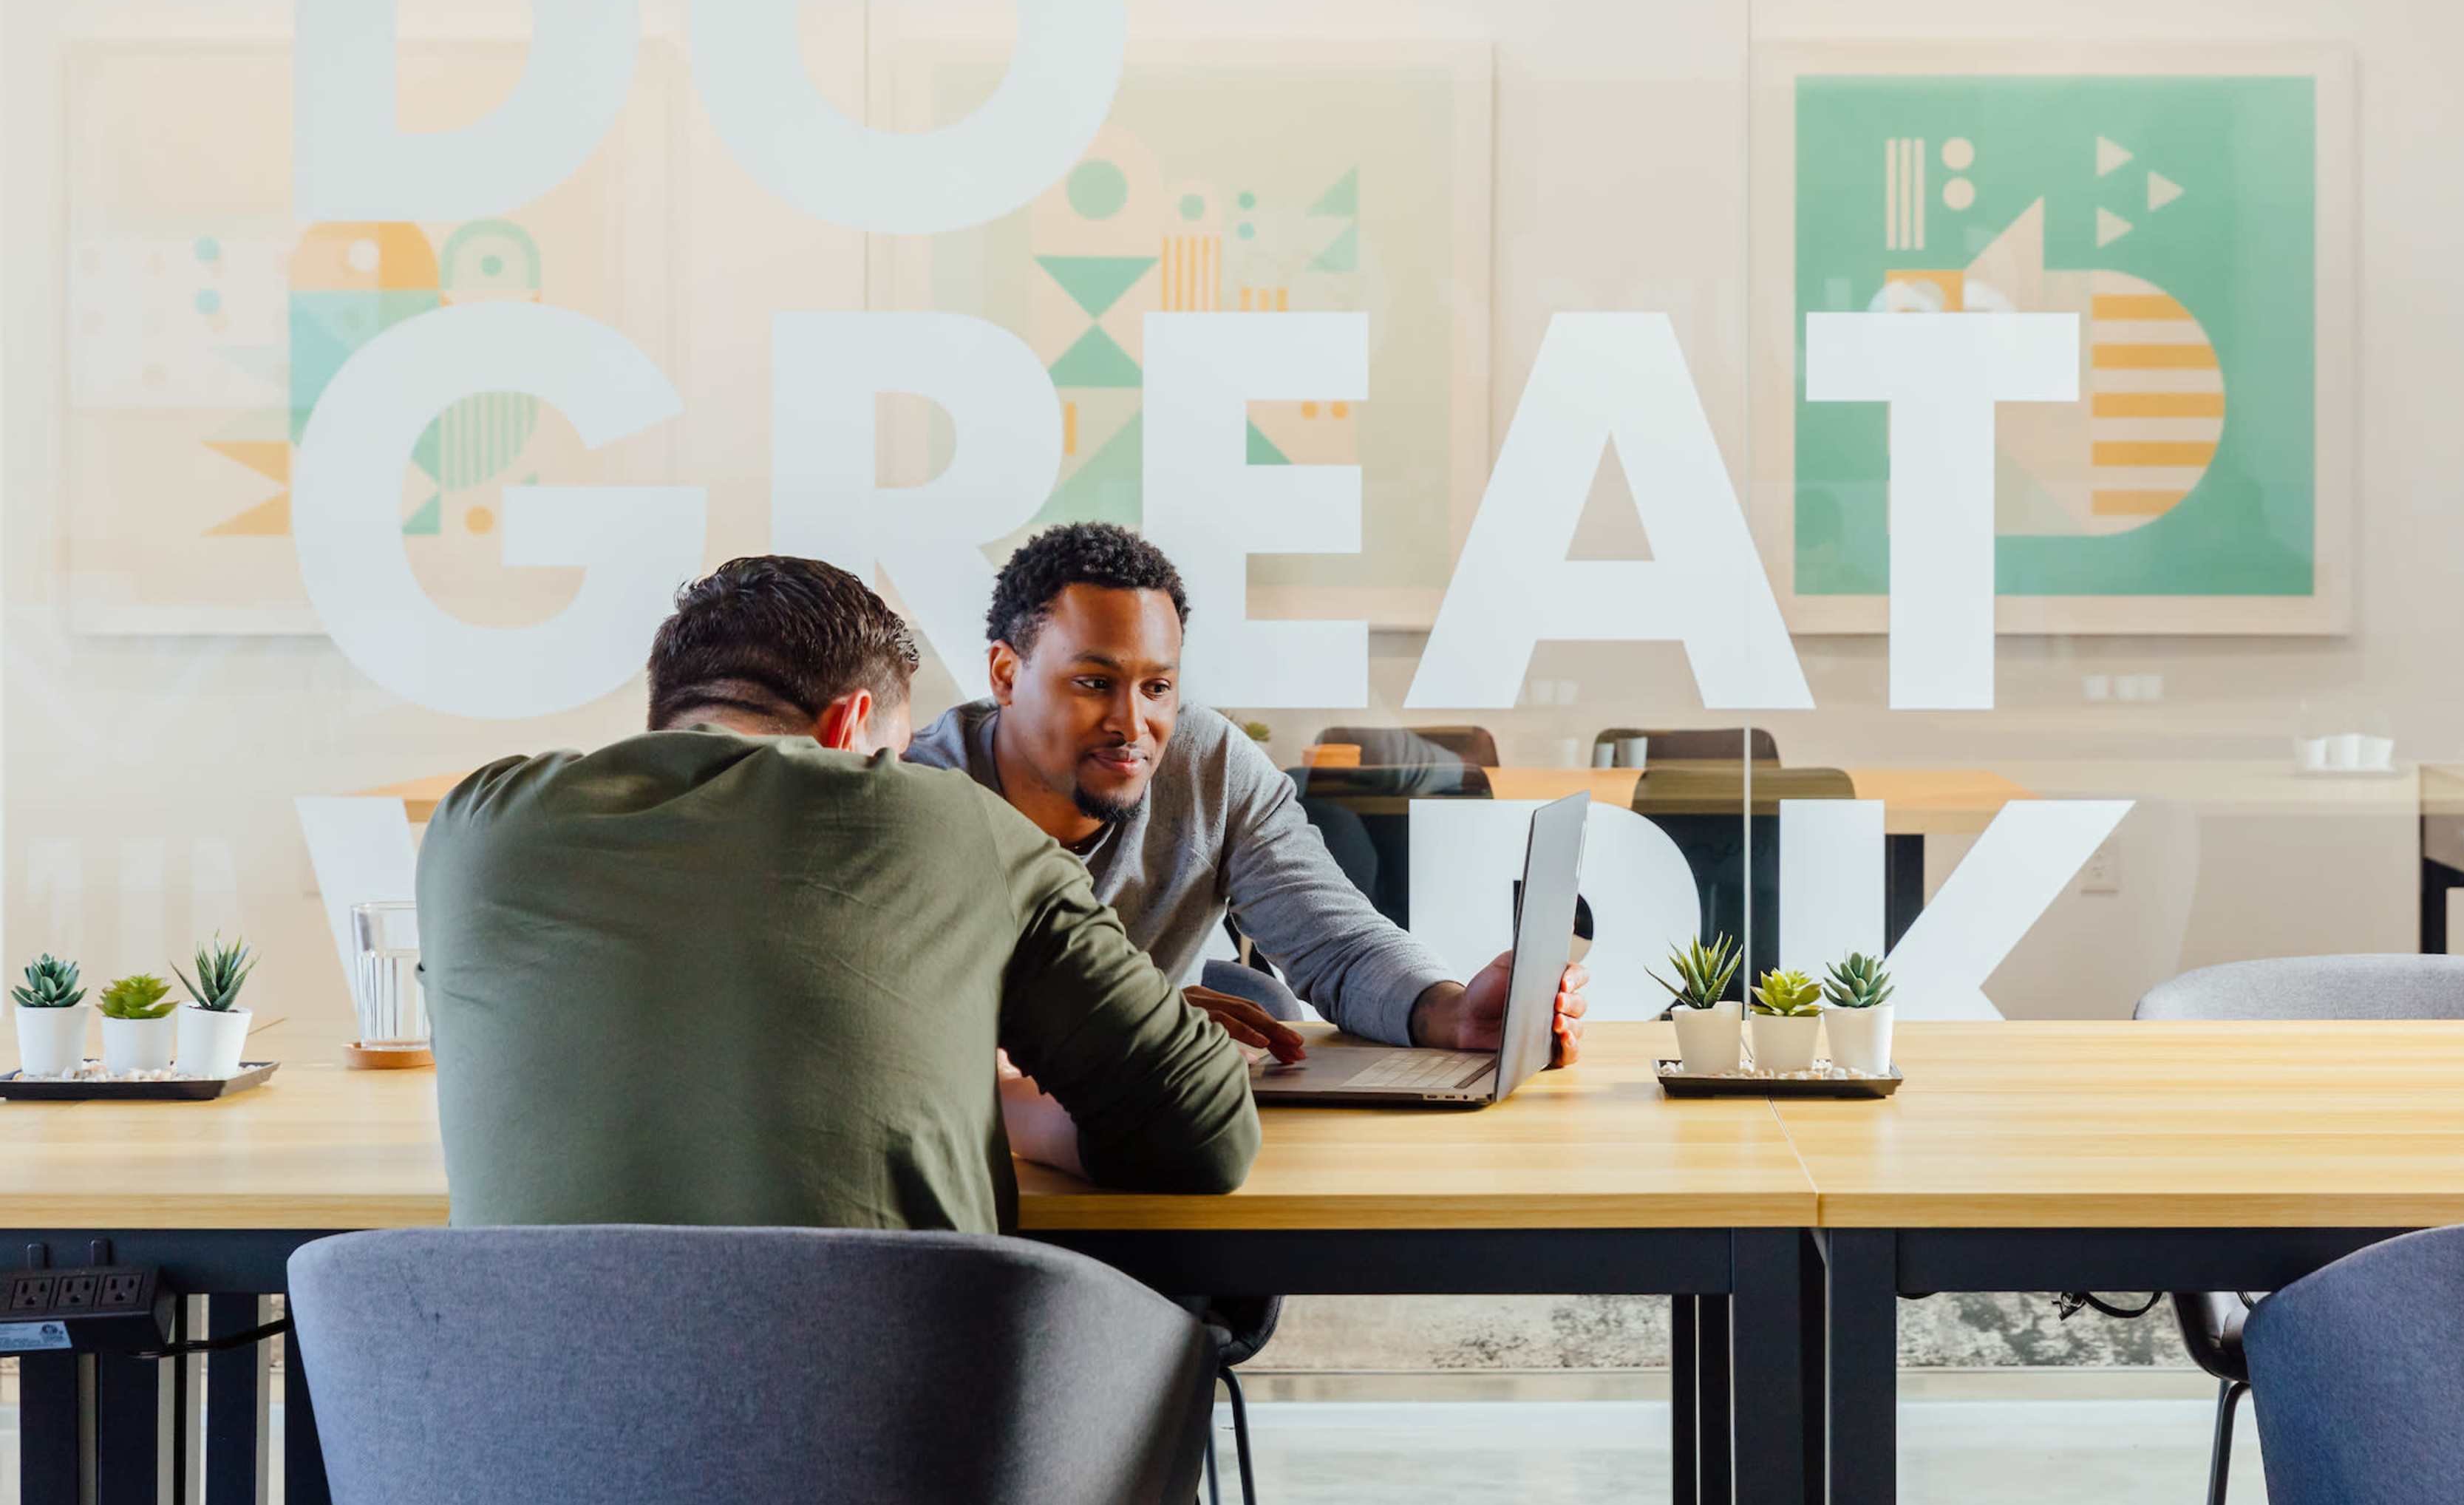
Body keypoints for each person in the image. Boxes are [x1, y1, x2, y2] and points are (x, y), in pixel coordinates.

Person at [417, 555, 1259, 1233]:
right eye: (894, 758)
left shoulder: (475, 828)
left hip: (526, 1391)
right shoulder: (965, 829)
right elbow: (1207, 1132)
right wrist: (1005, 1104)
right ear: (849, 727)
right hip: (883, 1392)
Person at [908, 523, 1588, 1061]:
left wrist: (1451, 1011)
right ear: (1005, 674)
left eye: (1157, 687)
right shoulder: (913, 798)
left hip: (1159, 1135)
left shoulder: (1209, 766)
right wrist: (1123, 1018)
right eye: (1094, 683)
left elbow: (1337, 943)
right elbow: (899, 1023)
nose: (1132, 724)